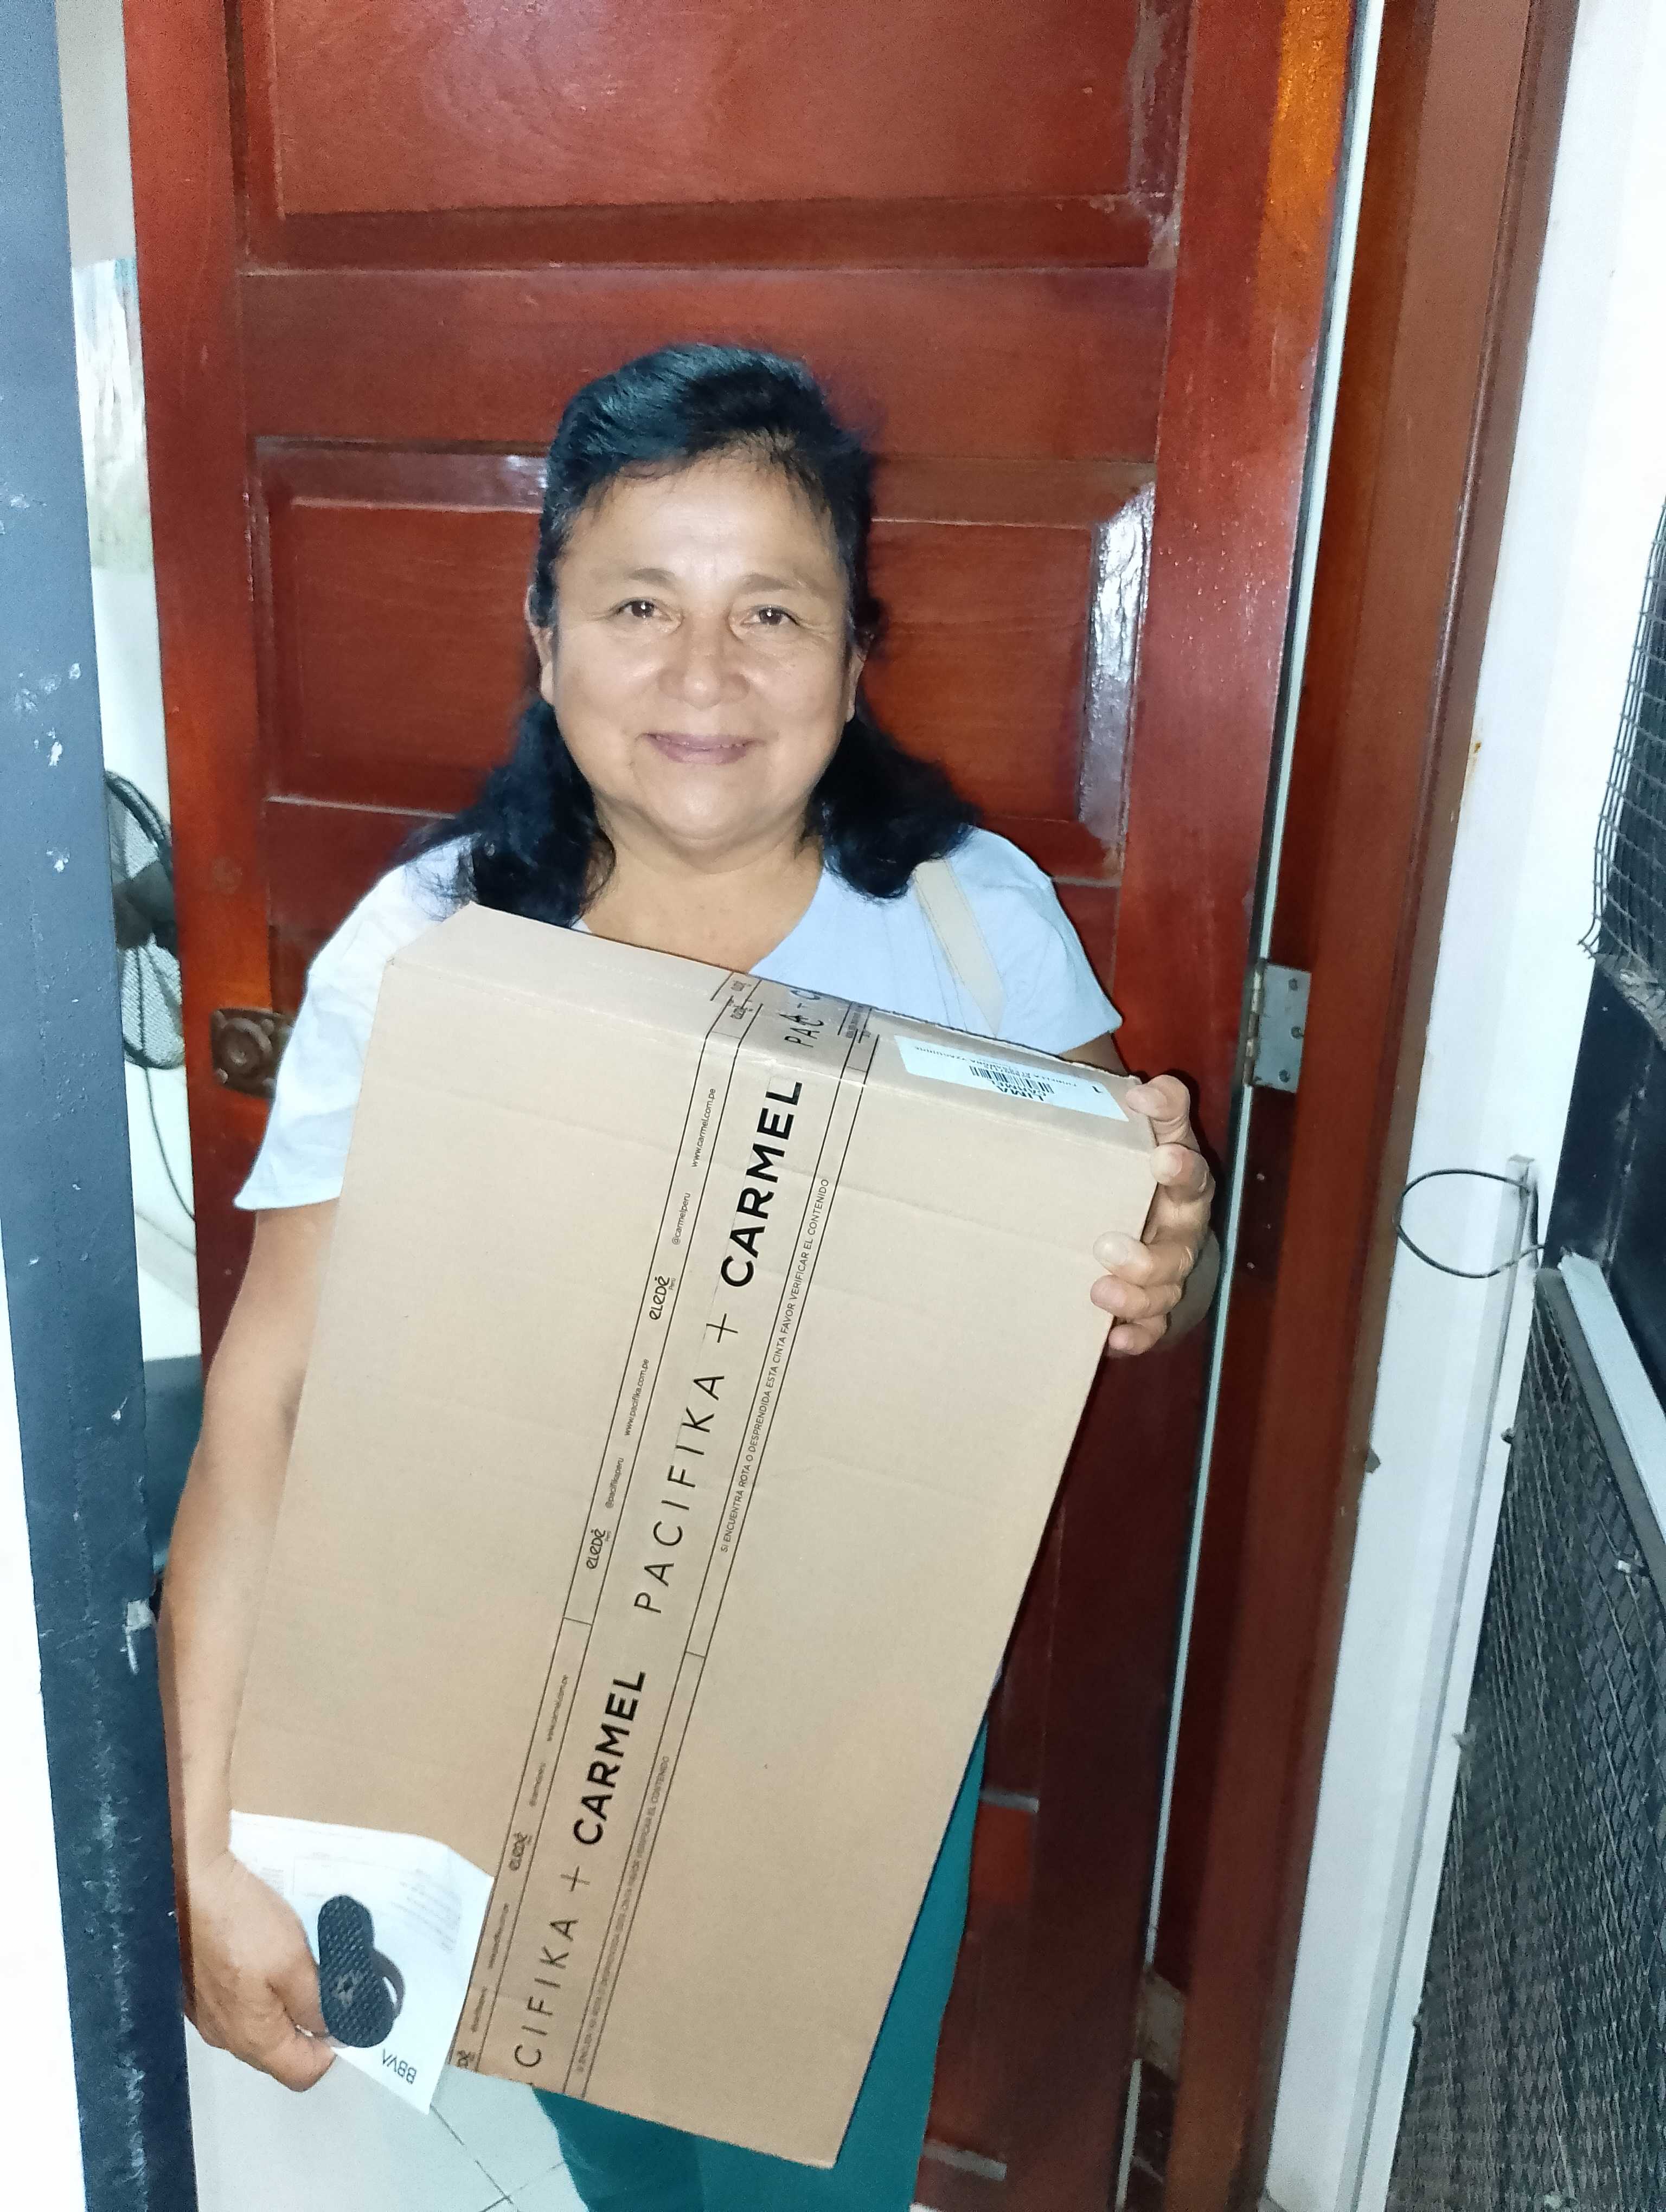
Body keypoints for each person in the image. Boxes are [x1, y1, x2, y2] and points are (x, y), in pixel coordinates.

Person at [161, 344, 1218, 2209]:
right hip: (492, 1705)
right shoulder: (426, 952)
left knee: (811, 2180)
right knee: (623, 2164)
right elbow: (271, 1401)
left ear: (853, 657)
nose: (705, 673)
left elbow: (1131, 1276)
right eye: (640, 604)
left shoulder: (966, 922)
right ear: (545, 635)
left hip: (849, 1736)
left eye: (773, 611)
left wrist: (1167, 1255)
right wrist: (205, 1846)